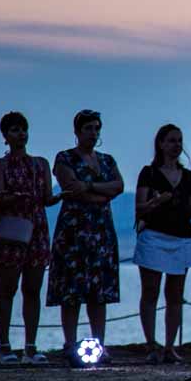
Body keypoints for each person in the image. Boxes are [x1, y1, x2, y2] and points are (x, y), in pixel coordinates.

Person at [135, 124, 191, 364]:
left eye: (179, 140)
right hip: (153, 235)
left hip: (180, 237)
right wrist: (156, 202)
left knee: (175, 294)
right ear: (160, 143)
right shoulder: (148, 173)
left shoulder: (188, 177)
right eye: (171, 140)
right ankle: (151, 344)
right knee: (150, 291)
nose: (176, 145)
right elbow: (139, 207)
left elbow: (188, 211)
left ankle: (169, 347)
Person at [48, 110, 123, 363]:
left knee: (98, 291)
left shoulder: (107, 160)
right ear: (77, 131)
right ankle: (70, 344)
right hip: (73, 231)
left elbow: (118, 187)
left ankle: (98, 343)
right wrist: (101, 193)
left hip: (101, 231)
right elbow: (71, 187)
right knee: (71, 290)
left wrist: (90, 187)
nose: (93, 133)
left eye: (96, 128)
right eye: (88, 128)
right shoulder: (65, 158)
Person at [0, 112, 59, 366]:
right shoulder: (0, 165)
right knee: (7, 288)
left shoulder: (40, 164)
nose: (21, 135)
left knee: (33, 289)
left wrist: (63, 195)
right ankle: (4, 346)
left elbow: (47, 198)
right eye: (15, 130)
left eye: (23, 130)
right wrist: (18, 196)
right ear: (5, 136)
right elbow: (0, 197)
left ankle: (30, 347)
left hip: (38, 229)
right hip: (11, 229)